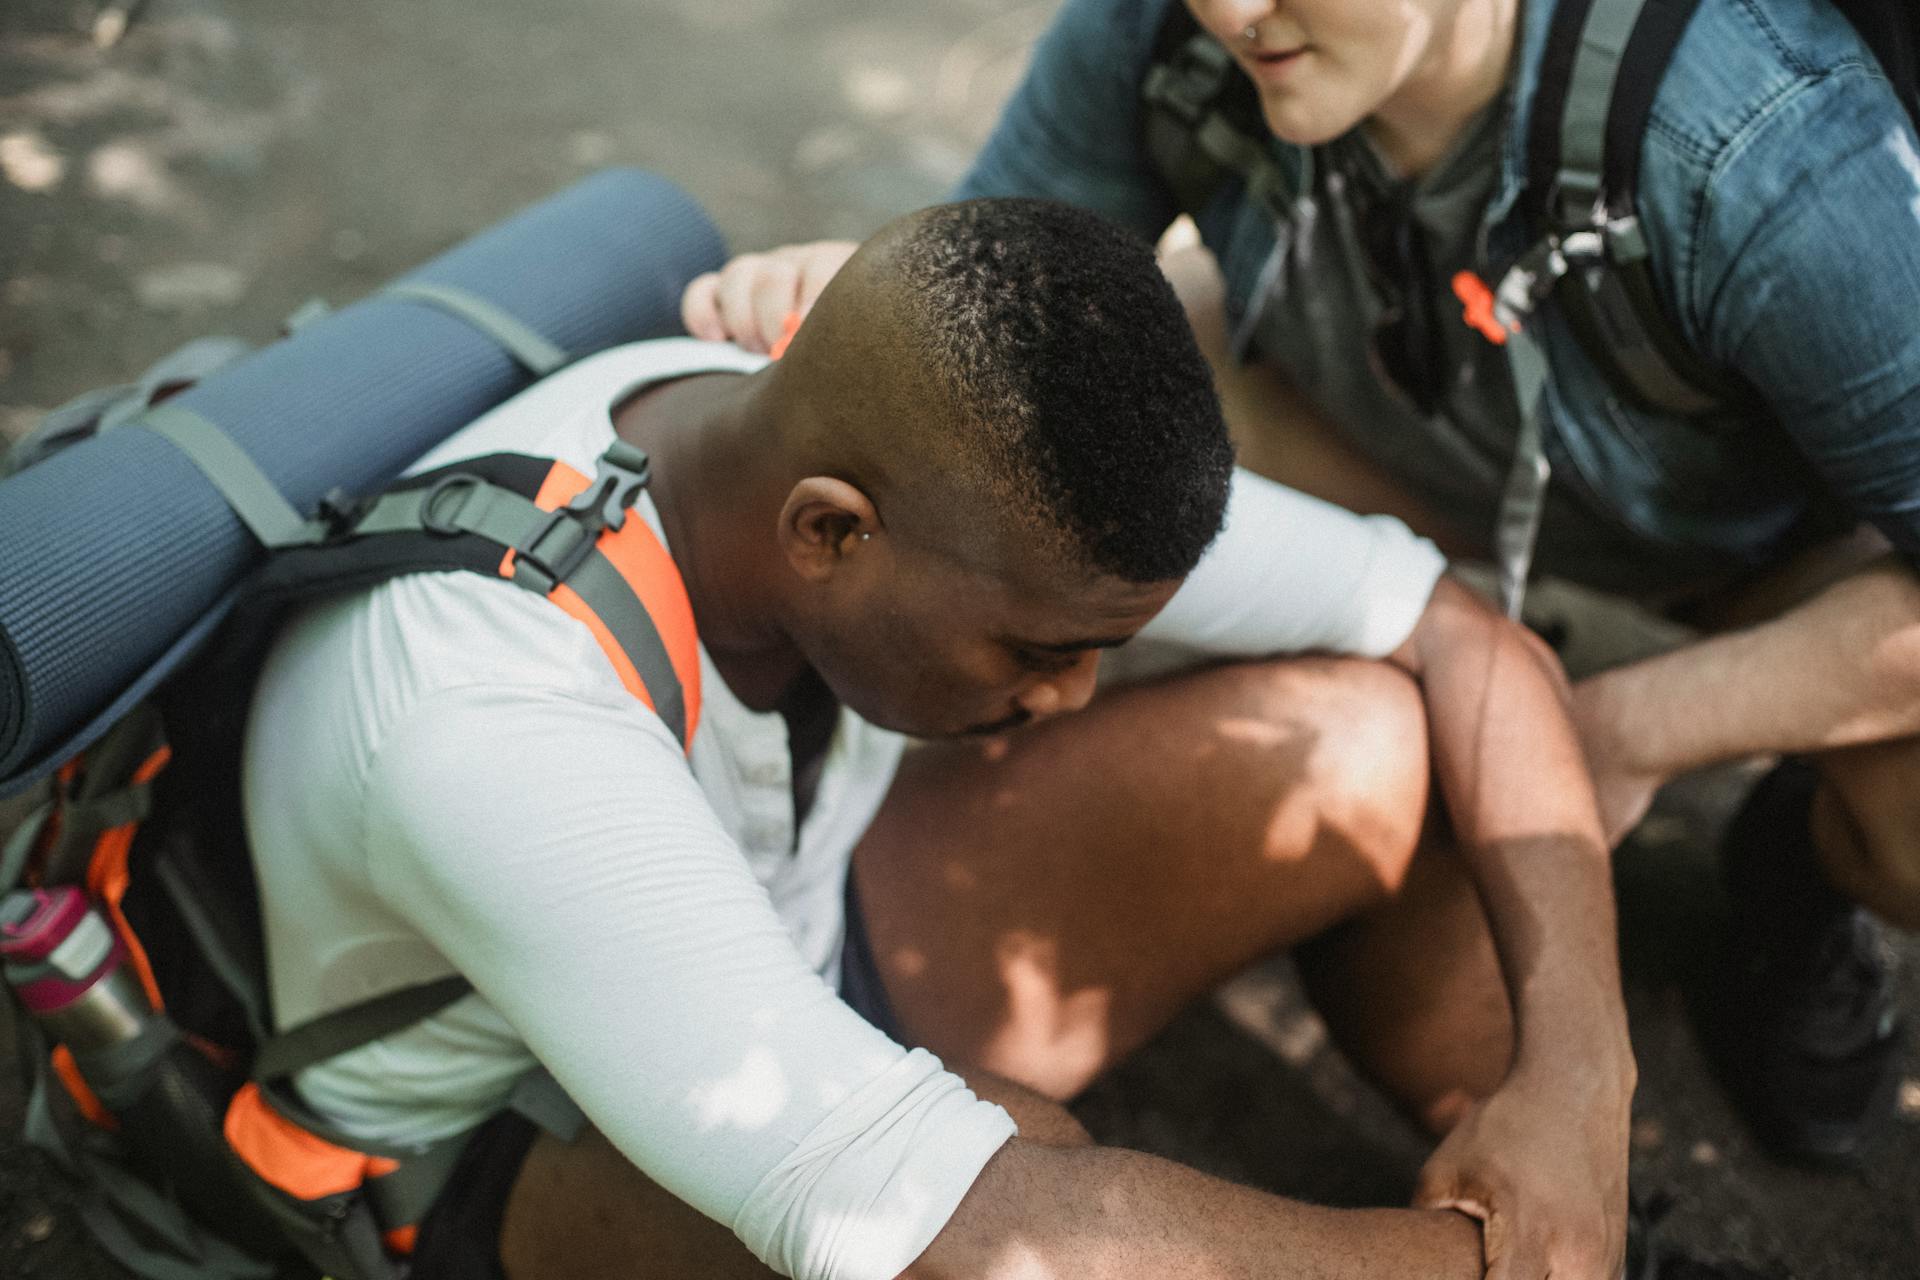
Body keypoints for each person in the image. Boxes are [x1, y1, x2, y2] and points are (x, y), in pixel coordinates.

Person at [244, 198, 1634, 1280]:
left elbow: (1457, 634)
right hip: (494, 1136)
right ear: (831, 533)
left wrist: (1578, 1091)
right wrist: (1489, 1260)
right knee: (1015, 1185)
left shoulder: (918, 453)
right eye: (1039, 654)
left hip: (792, 921)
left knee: (1381, 740)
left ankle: (1537, 1166)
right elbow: (969, 1240)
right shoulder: (497, 712)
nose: (1077, 694)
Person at [681, 0, 1920, 1166]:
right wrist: (842, 314)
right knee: (1032, 502)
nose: (1229, 13)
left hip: (1739, 540)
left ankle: (1797, 884)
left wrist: (1623, 727)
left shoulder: (1765, 140)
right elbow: (984, 328)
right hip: (1371, 419)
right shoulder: (1163, 32)